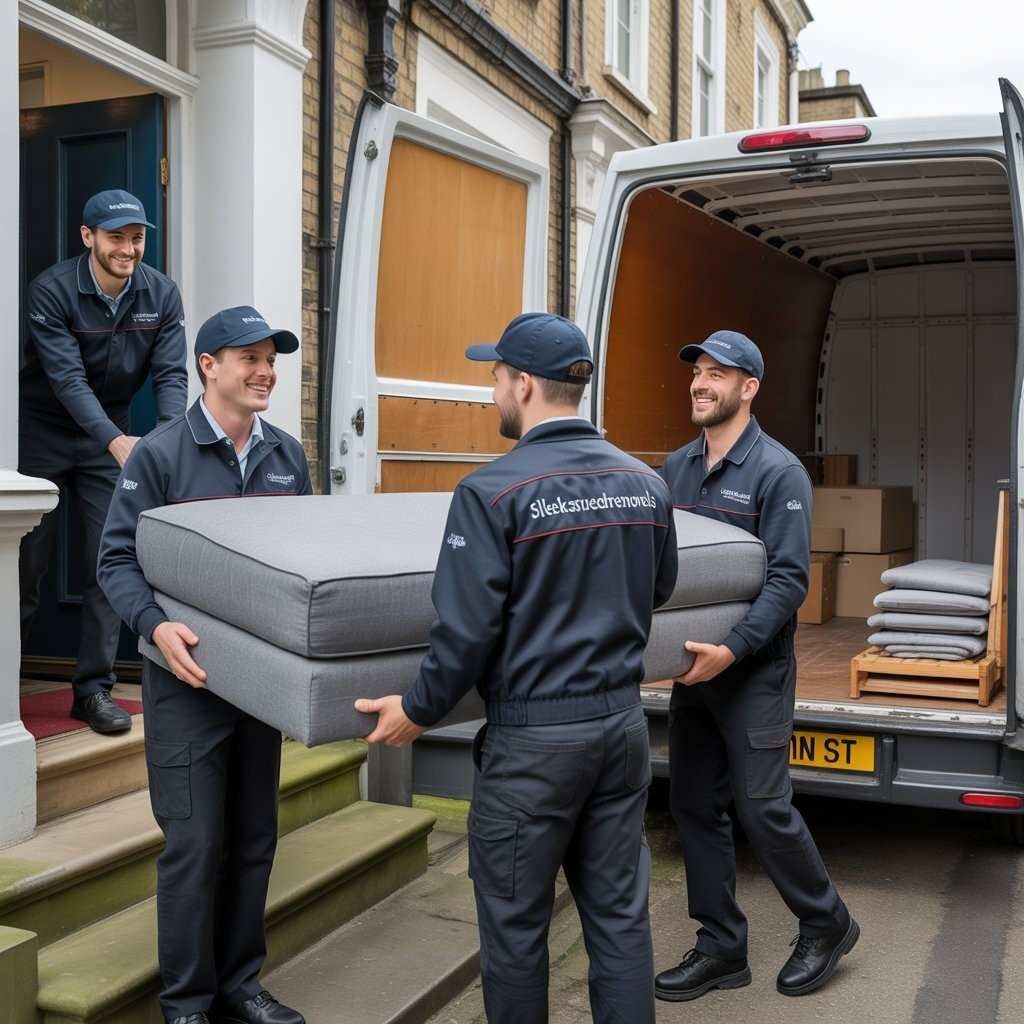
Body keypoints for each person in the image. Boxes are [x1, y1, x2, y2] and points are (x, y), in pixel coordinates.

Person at [356, 312, 678, 1024]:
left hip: (535, 745)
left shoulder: (491, 491)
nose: (493, 390)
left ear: (524, 384)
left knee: (516, 932)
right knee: (621, 920)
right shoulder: (645, 484)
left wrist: (416, 708)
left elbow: (466, 632)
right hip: (621, 731)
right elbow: (657, 589)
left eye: (497, 377)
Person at [97, 306, 311, 1024]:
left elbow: (300, 561)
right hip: (185, 686)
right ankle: (186, 1004)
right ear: (207, 367)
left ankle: (241, 986)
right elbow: (116, 560)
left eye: (271, 358)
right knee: (195, 845)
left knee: (254, 839)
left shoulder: (287, 455)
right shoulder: (159, 455)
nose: (265, 371)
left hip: (260, 687)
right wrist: (157, 630)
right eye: (247, 357)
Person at [654, 330, 858, 1002]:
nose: (701, 383)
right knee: (692, 805)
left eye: (718, 374)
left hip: (752, 673)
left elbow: (790, 581)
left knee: (763, 807)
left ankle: (827, 922)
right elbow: (660, 572)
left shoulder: (778, 472)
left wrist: (732, 650)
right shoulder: (674, 470)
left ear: (749, 388)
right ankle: (721, 948)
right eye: (698, 373)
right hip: (692, 673)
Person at [20, 188, 188, 734]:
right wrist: (117, 441)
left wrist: (165, 442)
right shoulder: (51, 290)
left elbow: (170, 375)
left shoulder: (161, 294)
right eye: (116, 237)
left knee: (108, 561)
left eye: (137, 238)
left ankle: (92, 690)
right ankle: (4, 686)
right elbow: (65, 378)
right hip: (38, 433)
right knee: (25, 564)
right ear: (88, 237)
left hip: (107, 435)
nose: (128, 248)